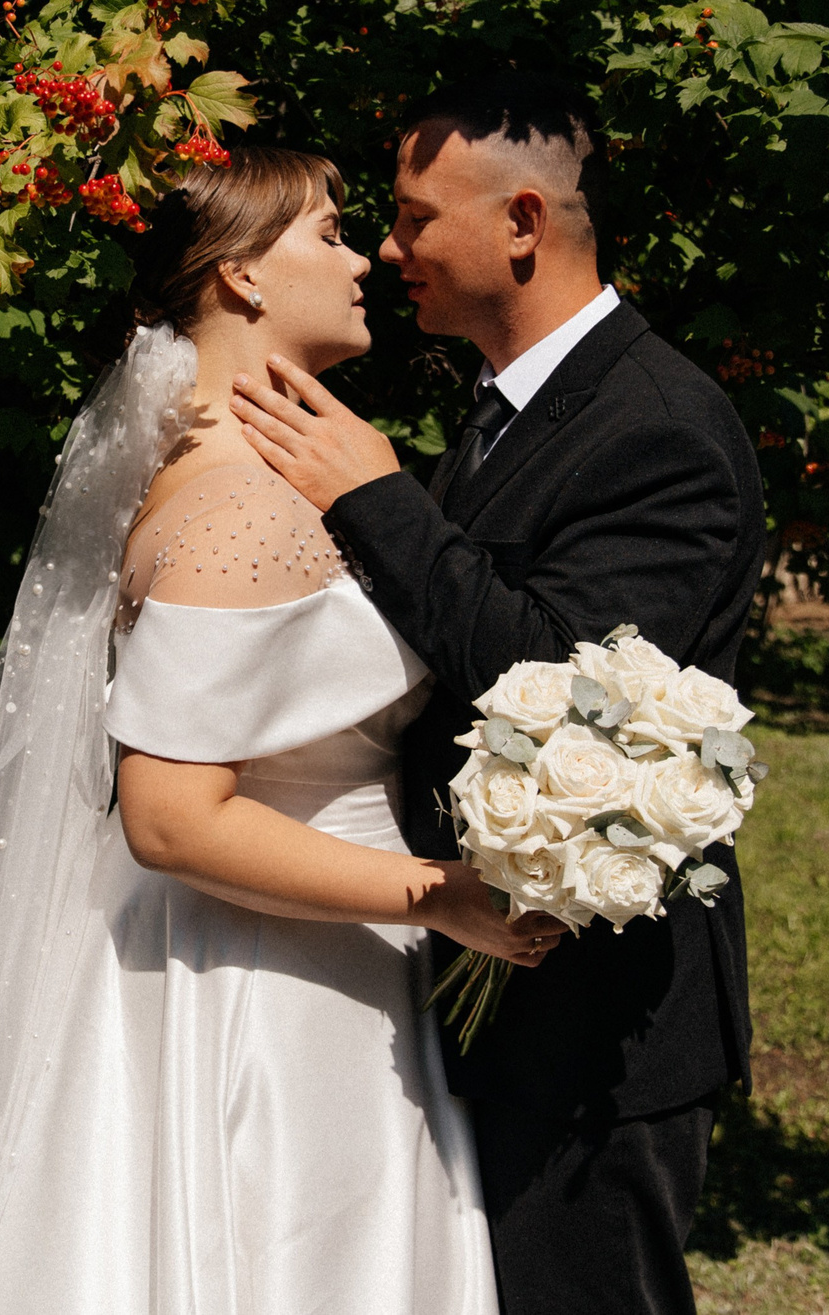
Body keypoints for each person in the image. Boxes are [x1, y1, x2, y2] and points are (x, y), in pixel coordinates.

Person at [0, 146, 557, 1315]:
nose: (363, 261)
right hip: (260, 979)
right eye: (328, 233)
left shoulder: (241, 471)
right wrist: (440, 895)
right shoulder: (240, 502)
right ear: (241, 276)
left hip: (305, 943)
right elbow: (172, 819)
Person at [230, 70, 769, 1315]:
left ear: (522, 222)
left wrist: (375, 499)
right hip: (485, 982)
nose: (388, 249)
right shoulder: (503, 408)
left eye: (414, 217)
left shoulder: (661, 430)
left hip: (592, 1021)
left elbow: (569, 692)